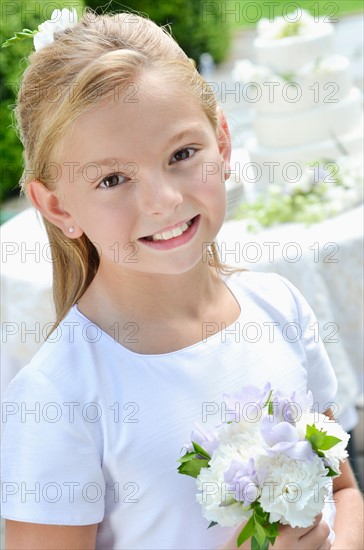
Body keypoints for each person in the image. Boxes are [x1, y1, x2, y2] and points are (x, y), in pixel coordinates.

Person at [1, 8, 363, 550]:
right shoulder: (61, 397)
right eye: (113, 178)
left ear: (223, 141)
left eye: (182, 154)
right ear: (56, 205)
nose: (164, 201)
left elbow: (342, 492)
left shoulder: (279, 307)